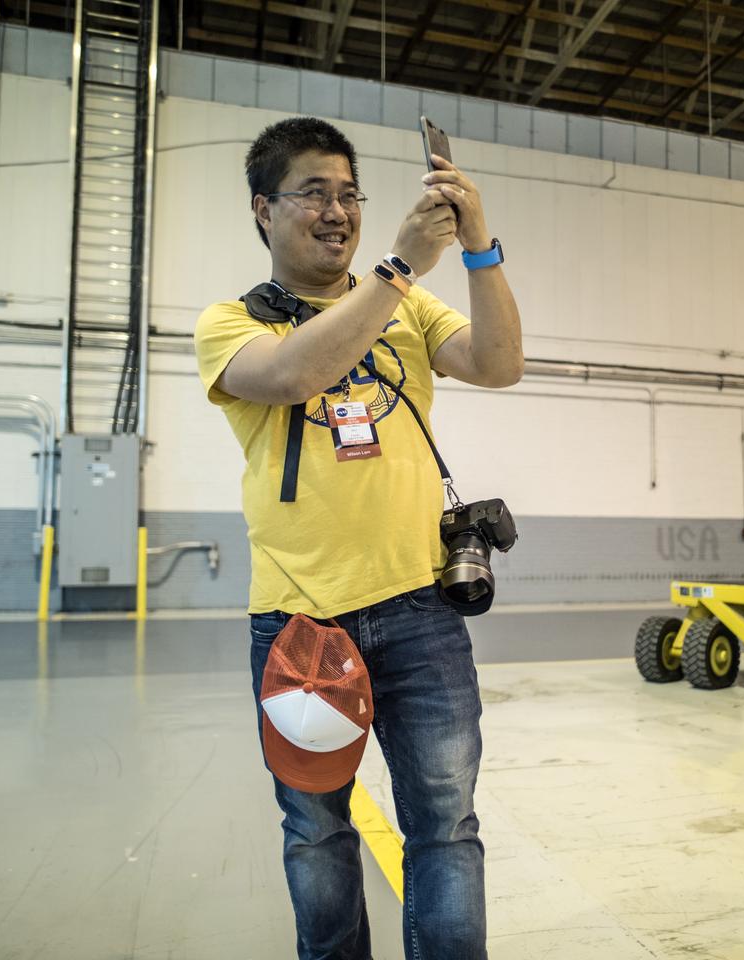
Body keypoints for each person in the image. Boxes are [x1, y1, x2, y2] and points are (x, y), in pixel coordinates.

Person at [194, 116, 522, 960]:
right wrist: (401, 266)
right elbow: (299, 372)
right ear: (263, 210)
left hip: (422, 614)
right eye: (314, 193)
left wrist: (478, 245)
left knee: (447, 828)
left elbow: (498, 362)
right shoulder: (232, 324)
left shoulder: (408, 305)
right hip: (300, 624)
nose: (337, 210)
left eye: (350, 194)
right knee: (317, 834)